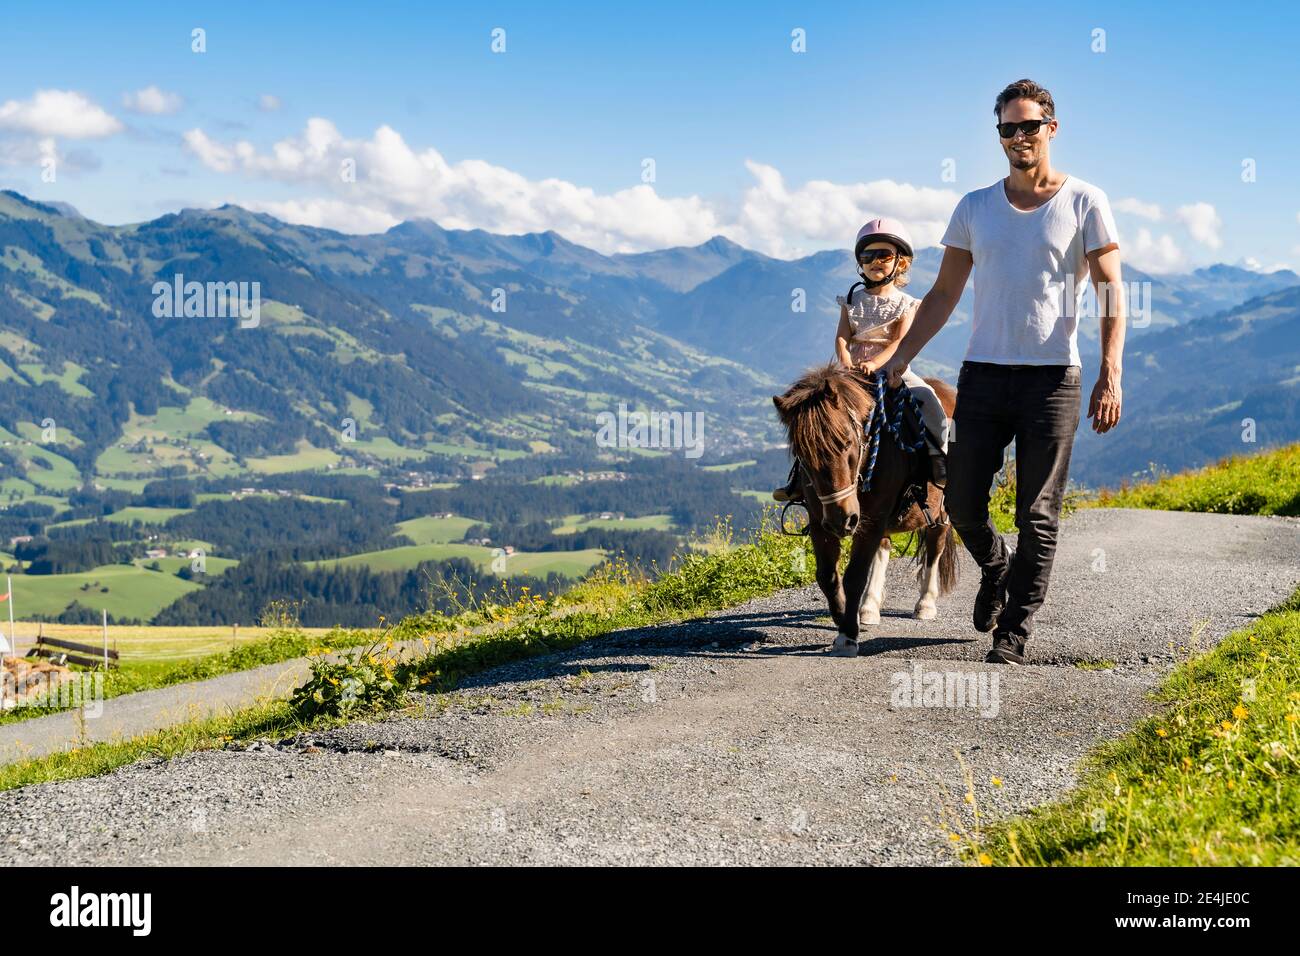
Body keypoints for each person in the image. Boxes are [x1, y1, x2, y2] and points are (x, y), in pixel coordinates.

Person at [882, 78, 1126, 665]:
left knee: (1037, 513)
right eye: (1007, 129)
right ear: (999, 136)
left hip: (1052, 381)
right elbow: (943, 293)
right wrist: (901, 357)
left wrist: (1110, 371)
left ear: (1052, 129)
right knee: (962, 503)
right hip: (983, 375)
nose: (1019, 137)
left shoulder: (1086, 201)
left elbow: (1111, 291)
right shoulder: (974, 207)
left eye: (1029, 126)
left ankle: (1013, 632)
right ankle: (997, 568)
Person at [773, 218, 949, 503]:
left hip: (893, 369)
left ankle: (938, 458)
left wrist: (876, 363)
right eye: (868, 256)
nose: (875, 261)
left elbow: (898, 342)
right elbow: (843, 336)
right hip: (852, 373)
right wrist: (844, 358)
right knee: (818, 416)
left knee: (929, 400)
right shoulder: (852, 300)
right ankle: (798, 479)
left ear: (900, 263)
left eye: (884, 255)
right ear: (860, 263)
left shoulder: (905, 304)